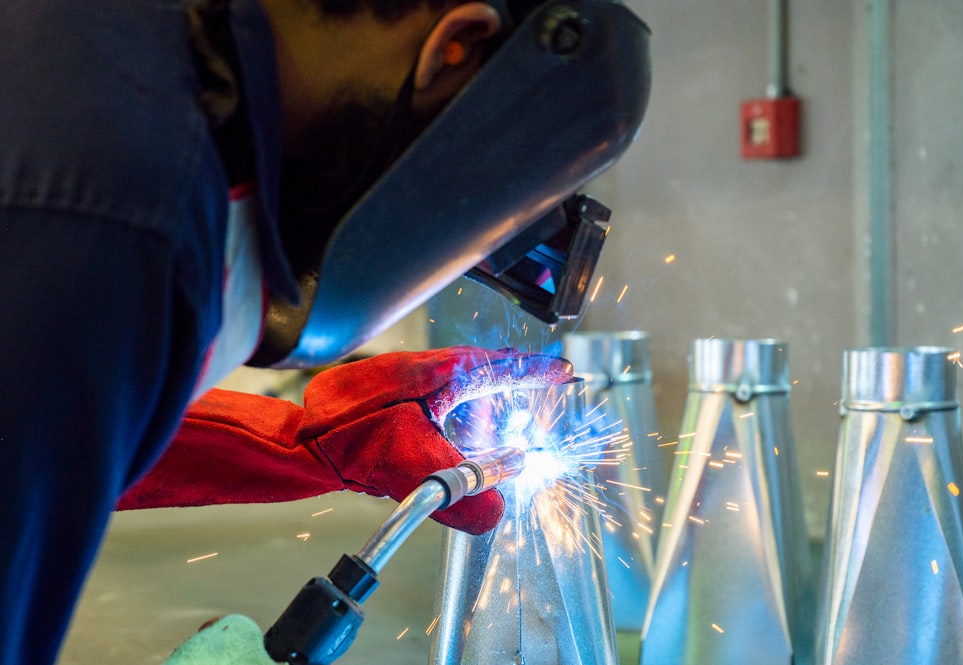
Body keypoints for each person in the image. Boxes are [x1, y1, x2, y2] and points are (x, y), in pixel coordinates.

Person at [0, 0, 585, 662]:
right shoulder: (123, 210)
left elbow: (57, 419)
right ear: (456, 44)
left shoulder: (122, 62)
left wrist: (304, 440)